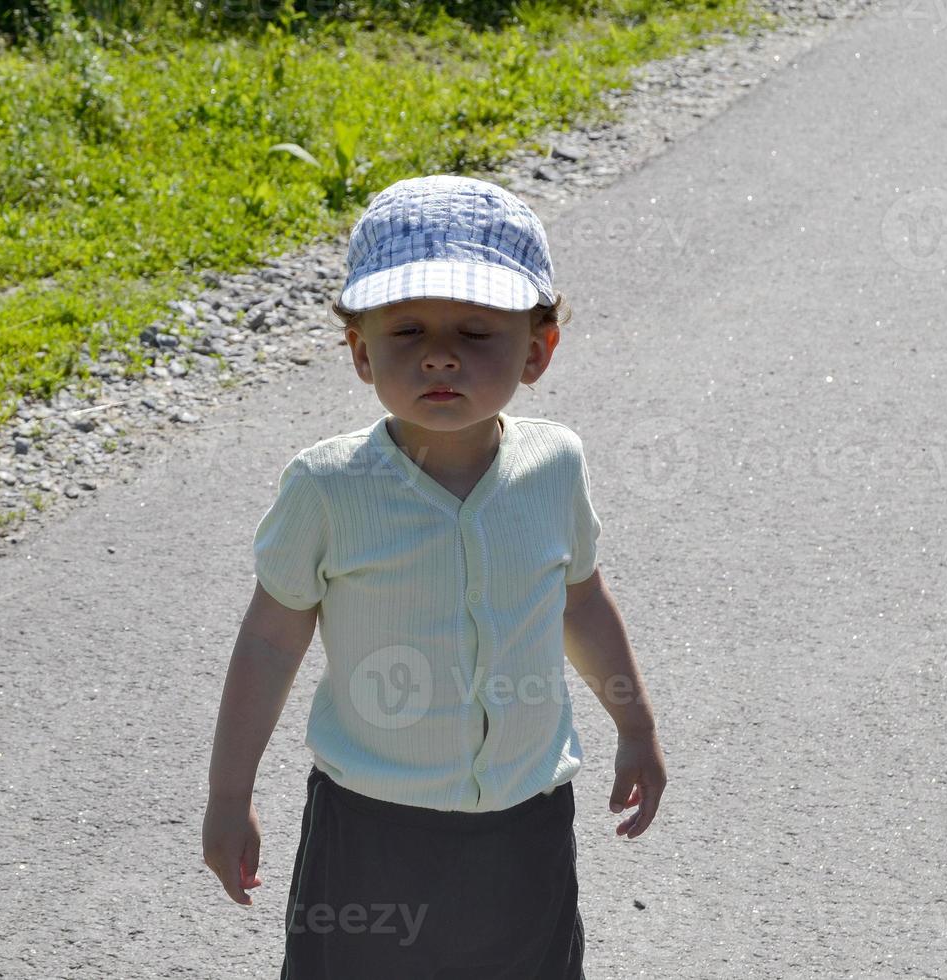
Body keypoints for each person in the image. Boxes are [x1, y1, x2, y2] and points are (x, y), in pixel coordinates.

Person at [202, 174, 667, 979]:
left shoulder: (554, 465)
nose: (439, 352)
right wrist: (226, 796)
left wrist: (636, 727)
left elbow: (580, 600)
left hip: (526, 824)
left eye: (476, 330)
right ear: (359, 352)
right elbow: (271, 642)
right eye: (407, 328)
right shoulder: (329, 488)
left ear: (536, 351)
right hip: (371, 835)